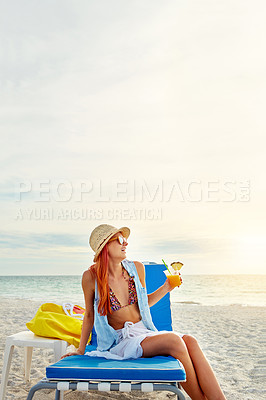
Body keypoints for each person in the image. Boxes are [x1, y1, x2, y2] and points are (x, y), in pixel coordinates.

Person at [62, 224, 226, 400]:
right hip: (120, 341)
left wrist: (166, 287)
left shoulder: (136, 268)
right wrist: (81, 349)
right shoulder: (91, 277)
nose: (125, 243)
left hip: (143, 332)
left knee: (190, 341)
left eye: (125, 239)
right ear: (105, 247)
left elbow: (143, 304)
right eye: (119, 240)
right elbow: (89, 315)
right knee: (174, 341)